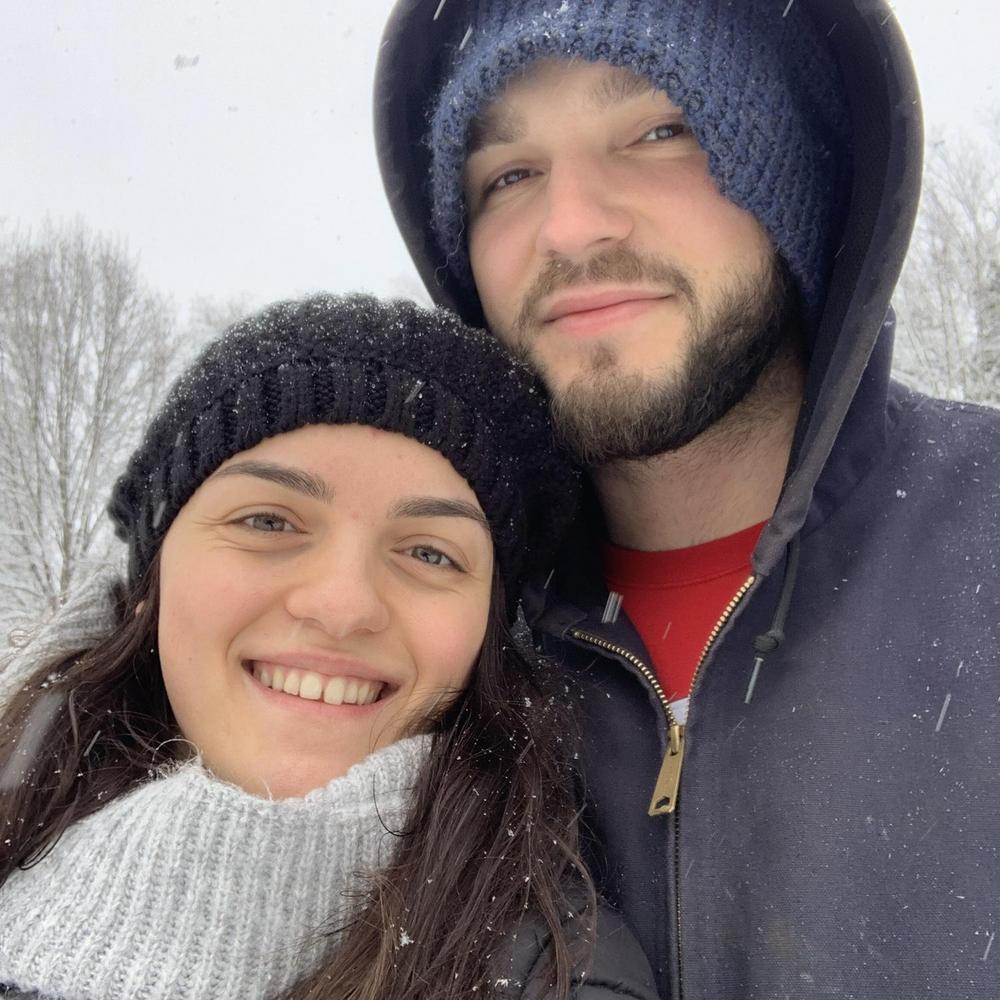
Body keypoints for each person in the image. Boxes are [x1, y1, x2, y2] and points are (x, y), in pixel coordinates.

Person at [373, 2, 1000, 998]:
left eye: (660, 131)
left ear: (793, 185)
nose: (569, 227)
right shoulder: (421, 643)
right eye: (508, 177)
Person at [0, 294, 661, 1000]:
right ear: (148, 584)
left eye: (430, 553)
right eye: (267, 521)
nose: (342, 607)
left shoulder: (562, 976)